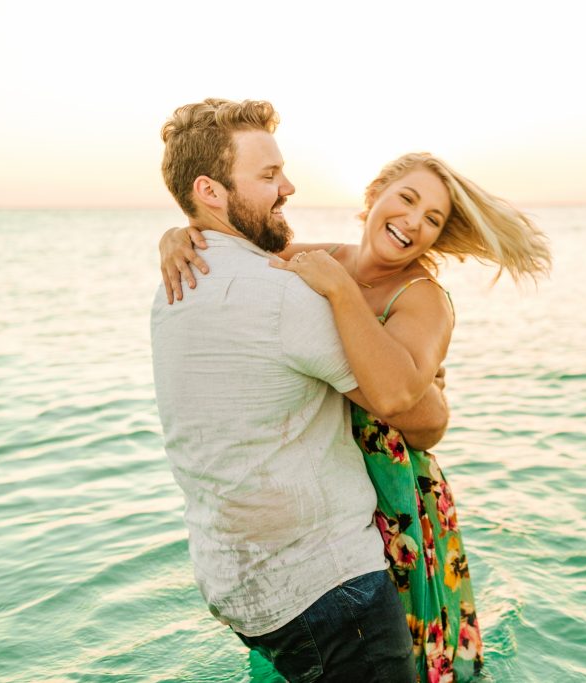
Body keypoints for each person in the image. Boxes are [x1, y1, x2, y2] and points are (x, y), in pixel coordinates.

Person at [160, 149, 552, 680]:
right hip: (321, 491)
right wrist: (179, 236)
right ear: (374, 196)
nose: (414, 222)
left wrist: (341, 291)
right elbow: (236, 248)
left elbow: (399, 399)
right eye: (407, 199)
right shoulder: (315, 256)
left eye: (432, 219)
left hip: (392, 494)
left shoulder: (423, 297)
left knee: (399, 652)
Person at [151, 98, 454, 682]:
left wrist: (180, 231)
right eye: (268, 175)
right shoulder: (293, 291)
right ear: (211, 192)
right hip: (328, 588)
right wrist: (429, 390)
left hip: (234, 579)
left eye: (433, 217)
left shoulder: (173, 286)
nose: (287, 186)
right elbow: (413, 412)